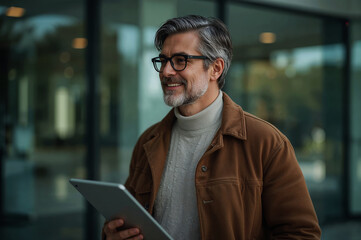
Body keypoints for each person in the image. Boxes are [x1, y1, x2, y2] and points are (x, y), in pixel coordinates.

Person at [102, 15, 321, 240]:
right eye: (163, 60)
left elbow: (301, 234)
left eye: (180, 60)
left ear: (215, 69)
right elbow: (127, 220)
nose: (166, 72)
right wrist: (113, 235)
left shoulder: (267, 143)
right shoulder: (148, 141)